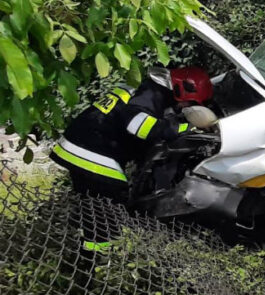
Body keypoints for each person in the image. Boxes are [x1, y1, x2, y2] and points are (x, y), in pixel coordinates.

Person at [50, 66, 213, 250]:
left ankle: (90, 253)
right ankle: (103, 256)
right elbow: (138, 125)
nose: (187, 108)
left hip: (79, 144)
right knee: (110, 203)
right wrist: (184, 129)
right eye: (189, 102)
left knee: (94, 206)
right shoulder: (151, 94)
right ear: (180, 89)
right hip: (91, 149)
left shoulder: (144, 88)